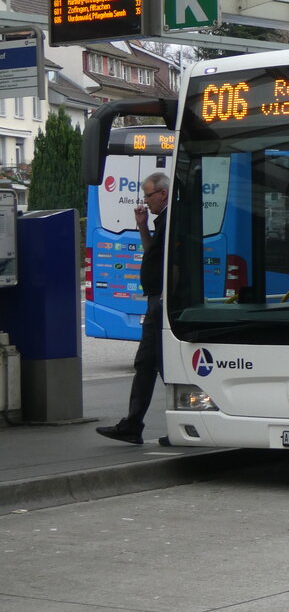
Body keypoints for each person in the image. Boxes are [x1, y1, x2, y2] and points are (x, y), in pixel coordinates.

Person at [96, 172, 169, 446]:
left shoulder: (172, 220)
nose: (145, 201)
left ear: (162, 194)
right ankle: (132, 425)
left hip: (161, 302)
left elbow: (173, 262)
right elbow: (152, 253)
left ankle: (189, 420)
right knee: (148, 363)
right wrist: (142, 226)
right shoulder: (161, 221)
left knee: (164, 365)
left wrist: (164, 298)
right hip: (155, 301)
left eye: (148, 196)